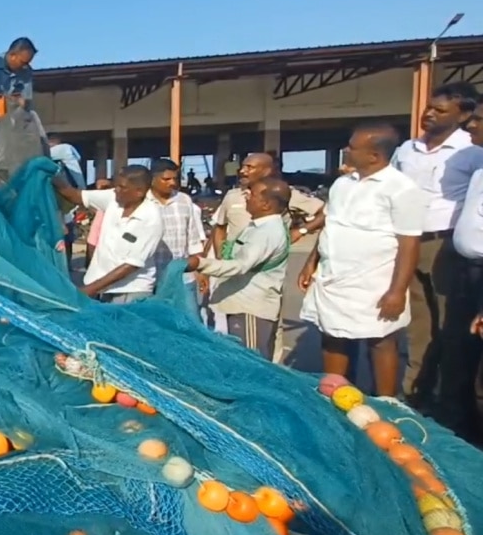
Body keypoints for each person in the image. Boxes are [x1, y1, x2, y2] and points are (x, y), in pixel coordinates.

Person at [298, 123, 424, 398]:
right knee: (332, 334)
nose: (345, 150)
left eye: (352, 147)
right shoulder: (342, 184)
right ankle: (337, 394)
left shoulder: (401, 188)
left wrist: (397, 291)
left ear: (374, 156)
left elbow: (409, 243)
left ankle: (386, 401)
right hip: (334, 276)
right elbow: (331, 224)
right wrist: (312, 262)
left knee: (380, 339)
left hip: (375, 280)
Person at [393, 82, 483, 404]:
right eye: (429, 107)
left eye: (440, 110)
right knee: (419, 326)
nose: (429, 114)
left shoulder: (472, 151)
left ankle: (452, 403)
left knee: (451, 329)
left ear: (462, 115)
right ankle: (416, 392)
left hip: (444, 246)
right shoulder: (407, 149)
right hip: (409, 242)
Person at [187, 179, 291, 359]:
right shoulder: (258, 225)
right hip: (241, 304)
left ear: (266, 204)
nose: (246, 197)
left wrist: (201, 264)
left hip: (251, 308)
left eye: (252, 195)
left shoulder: (267, 232)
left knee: (251, 362)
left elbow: (240, 265)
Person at [438, 110, 483, 441]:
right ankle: (462, 428)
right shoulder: (478, 166)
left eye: (480, 119)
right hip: (466, 272)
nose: (470, 124)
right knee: (458, 350)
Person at [55, 166, 164, 303]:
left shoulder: (151, 218)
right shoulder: (114, 199)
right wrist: (52, 174)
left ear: (139, 192)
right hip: (102, 288)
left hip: (130, 292)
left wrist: (88, 290)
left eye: (122, 187)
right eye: (115, 185)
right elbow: (76, 195)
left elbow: (130, 265)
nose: (116, 190)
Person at [146, 159, 205, 283]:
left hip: (183, 275)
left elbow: (193, 238)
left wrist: (201, 271)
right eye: (166, 179)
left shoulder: (184, 200)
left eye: (174, 178)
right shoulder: (143, 202)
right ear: (152, 180)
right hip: (150, 277)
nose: (172, 183)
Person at [48, 135, 84, 268]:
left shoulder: (64, 154)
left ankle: (65, 265)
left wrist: (81, 190)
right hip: (61, 208)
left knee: (66, 238)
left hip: (64, 209)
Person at [0, 37, 37, 110]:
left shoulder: (27, 71)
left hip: (12, 116)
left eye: (28, 63)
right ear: (12, 56)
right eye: (23, 62)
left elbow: (26, 99)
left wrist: (23, 102)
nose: (25, 66)